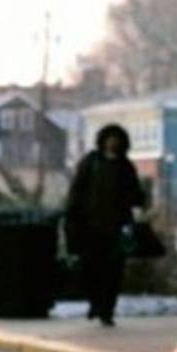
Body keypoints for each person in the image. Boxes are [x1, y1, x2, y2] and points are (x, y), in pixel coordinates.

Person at [64, 123, 145, 326]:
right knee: (90, 269)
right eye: (109, 138)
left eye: (116, 139)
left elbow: (136, 194)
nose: (112, 142)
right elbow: (77, 191)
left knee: (113, 272)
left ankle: (107, 310)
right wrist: (72, 216)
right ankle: (94, 303)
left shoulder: (125, 166)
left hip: (116, 228)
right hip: (89, 227)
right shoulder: (90, 162)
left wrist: (136, 205)